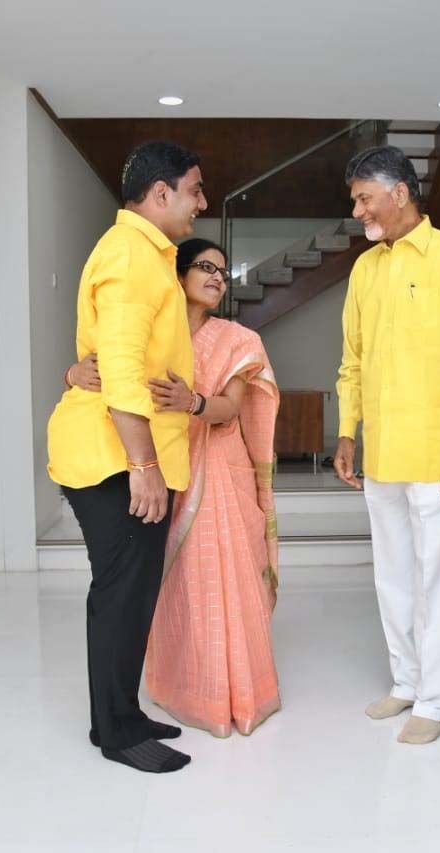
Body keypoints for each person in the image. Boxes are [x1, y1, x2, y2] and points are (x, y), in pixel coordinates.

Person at [67, 238, 281, 738]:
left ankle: (237, 693)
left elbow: (232, 409)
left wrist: (194, 403)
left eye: (223, 273)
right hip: (159, 468)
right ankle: (183, 688)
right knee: (175, 585)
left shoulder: (237, 339)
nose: (216, 278)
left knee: (224, 573)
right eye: (205, 267)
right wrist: (72, 371)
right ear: (179, 275)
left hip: (220, 470)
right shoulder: (152, 333)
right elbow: (106, 375)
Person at [333, 145, 440, 745]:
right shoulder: (364, 269)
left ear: (399, 192)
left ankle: (437, 699)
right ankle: (406, 682)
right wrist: (347, 430)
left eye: (363, 197)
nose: (357, 210)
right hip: (382, 451)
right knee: (393, 576)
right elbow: (352, 362)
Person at [46, 141, 207, 774]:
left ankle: (122, 713)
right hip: (116, 460)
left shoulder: (146, 255)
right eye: (193, 189)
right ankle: (114, 732)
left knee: (135, 592)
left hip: (130, 453)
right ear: (160, 193)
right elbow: (117, 368)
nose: (200, 202)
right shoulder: (132, 256)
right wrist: (143, 467)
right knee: (120, 593)